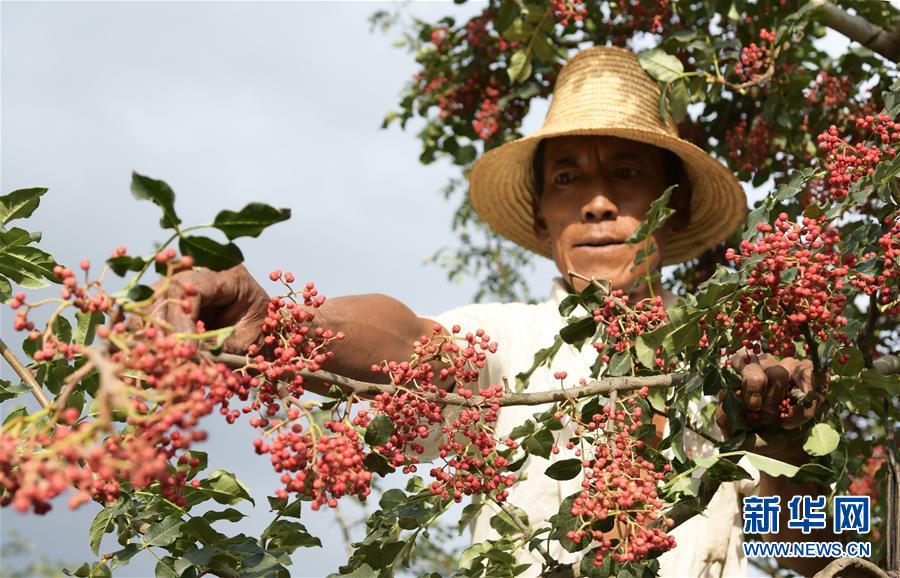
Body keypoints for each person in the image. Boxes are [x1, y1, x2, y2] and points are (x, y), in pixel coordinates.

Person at [156, 46, 831, 577]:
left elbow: (831, 554)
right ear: (543, 220)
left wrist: (781, 437)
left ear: (673, 204)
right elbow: (416, 341)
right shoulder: (512, 339)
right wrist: (282, 325)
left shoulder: (741, 365)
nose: (596, 203)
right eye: (568, 179)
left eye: (625, 173)